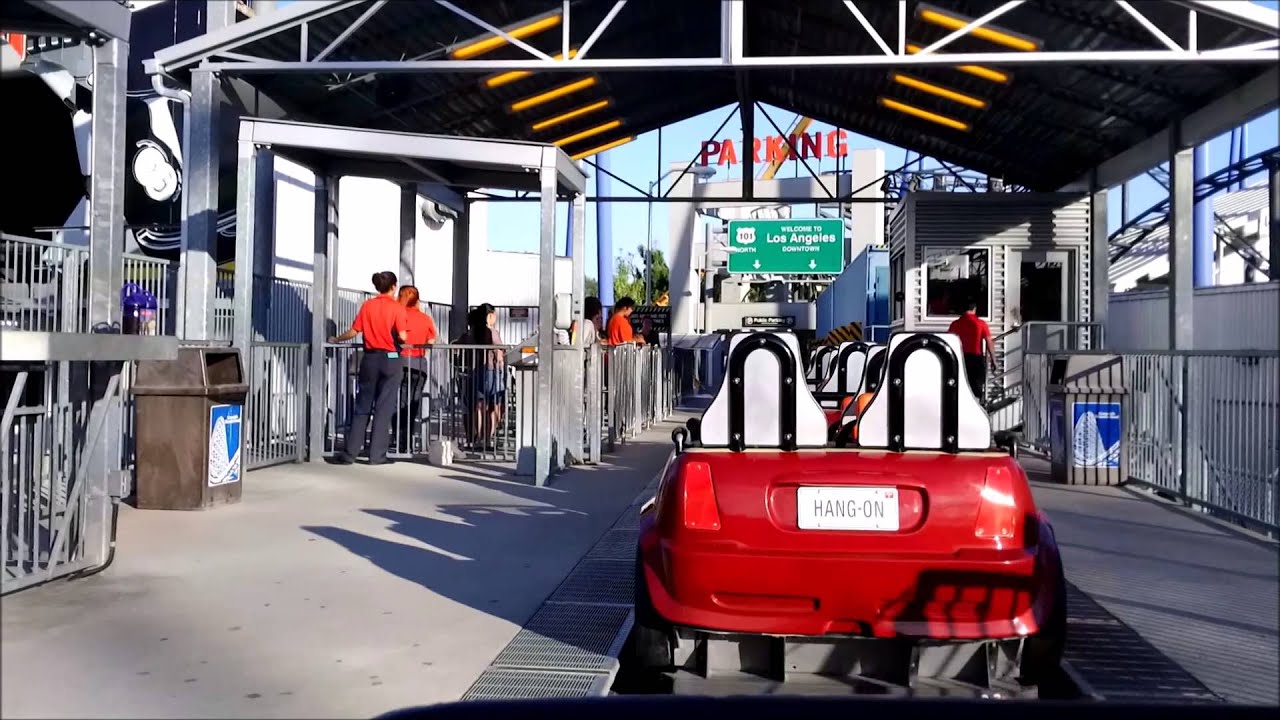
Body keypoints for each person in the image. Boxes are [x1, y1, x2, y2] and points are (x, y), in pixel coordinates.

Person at [329, 271, 408, 465]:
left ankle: (350, 453)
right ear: (394, 286)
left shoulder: (367, 306)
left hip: (370, 358)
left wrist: (336, 339)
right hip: (390, 357)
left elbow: (354, 331)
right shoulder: (397, 308)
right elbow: (403, 337)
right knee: (383, 407)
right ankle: (376, 455)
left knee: (362, 406)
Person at [392, 285, 437, 449]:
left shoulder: (398, 316)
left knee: (398, 402)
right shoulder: (426, 319)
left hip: (400, 363)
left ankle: (398, 438)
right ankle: (408, 440)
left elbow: (392, 341)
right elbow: (431, 340)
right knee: (413, 403)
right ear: (417, 300)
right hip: (419, 365)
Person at [948, 299, 997, 403]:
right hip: (976, 358)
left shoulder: (955, 324)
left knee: (962, 385)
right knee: (976, 386)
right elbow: (989, 342)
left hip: (961, 359)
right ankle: (977, 405)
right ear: (975, 309)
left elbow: (949, 341)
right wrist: (993, 359)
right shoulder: (981, 323)